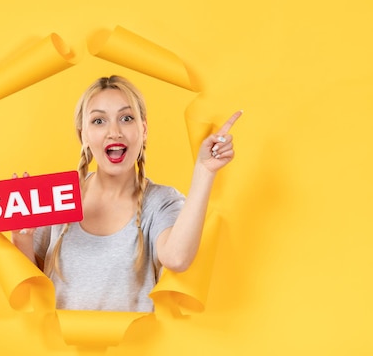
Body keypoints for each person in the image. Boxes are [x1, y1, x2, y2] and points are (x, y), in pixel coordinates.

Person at [12, 75, 241, 312]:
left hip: (134, 347)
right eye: (99, 121)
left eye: (126, 118)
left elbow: (177, 258)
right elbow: (33, 291)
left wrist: (204, 171)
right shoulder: (58, 197)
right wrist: (21, 238)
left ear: (143, 130)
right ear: (84, 135)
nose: (114, 132)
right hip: (58, 348)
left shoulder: (161, 202)